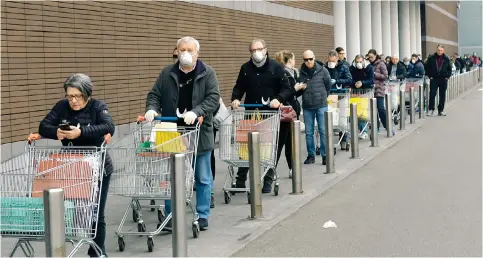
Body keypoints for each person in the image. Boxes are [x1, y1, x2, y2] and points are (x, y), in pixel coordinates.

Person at [145, 36, 220, 230]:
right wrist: (152, 109)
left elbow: (213, 98)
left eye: (190, 50)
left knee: (202, 177)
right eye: (182, 49)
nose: (185, 53)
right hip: (172, 131)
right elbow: (155, 94)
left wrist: (197, 111)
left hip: (198, 131)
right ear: (176, 51)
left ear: (197, 53)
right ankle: (171, 215)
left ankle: (202, 214)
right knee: (173, 176)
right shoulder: (167, 73)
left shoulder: (207, 73)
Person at [38, 73, 115, 257]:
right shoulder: (62, 107)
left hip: (98, 167)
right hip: (72, 167)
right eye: (69, 95)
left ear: (86, 94)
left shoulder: (97, 106)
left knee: (95, 211)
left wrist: (80, 133)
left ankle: (98, 251)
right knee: (75, 211)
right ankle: (71, 245)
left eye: (78, 96)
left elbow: (108, 126)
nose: (73, 100)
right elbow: (43, 126)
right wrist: (56, 131)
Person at [231, 39, 292, 193]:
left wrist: (278, 99)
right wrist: (236, 98)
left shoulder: (276, 67)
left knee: (270, 148)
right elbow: (239, 87)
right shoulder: (246, 68)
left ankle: (268, 178)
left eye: (259, 49)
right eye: (253, 50)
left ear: (265, 49)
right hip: (251, 113)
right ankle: (240, 179)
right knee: (246, 146)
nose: (256, 52)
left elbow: (286, 88)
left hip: (270, 115)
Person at [274, 50, 306, 177]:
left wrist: (301, 89)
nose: (295, 61)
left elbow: (293, 94)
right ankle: (271, 170)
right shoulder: (283, 73)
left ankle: (292, 168)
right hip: (285, 111)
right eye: (293, 58)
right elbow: (286, 92)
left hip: (292, 110)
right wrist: (295, 88)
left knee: (291, 142)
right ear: (289, 60)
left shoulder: (292, 73)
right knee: (281, 142)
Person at [299, 50, 331, 165]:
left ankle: (325, 155)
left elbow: (328, 85)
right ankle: (311, 155)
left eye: (310, 59)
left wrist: (324, 97)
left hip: (321, 105)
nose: (308, 62)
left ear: (314, 58)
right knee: (309, 132)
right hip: (307, 106)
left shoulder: (323, 70)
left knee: (323, 131)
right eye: (306, 60)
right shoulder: (301, 72)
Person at [367, 49, 393, 135]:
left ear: (375, 56)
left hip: (379, 89)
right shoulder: (368, 64)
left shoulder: (381, 64)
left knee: (381, 108)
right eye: (369, 57)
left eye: (371, 57)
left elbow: (385, 76)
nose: (370, 58)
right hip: (370, 90)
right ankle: (376, 127)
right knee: (373, 110)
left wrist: (375, 74)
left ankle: (388, 127)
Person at [348, 55, 374, 139]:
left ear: (363, 61)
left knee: (362, 112)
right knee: (355, 112)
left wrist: (362, 83)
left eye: (360, 62)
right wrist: (354, 83)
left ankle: (364, 131)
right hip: (354, 92)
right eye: (357, 62)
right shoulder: (352, 68)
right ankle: (355, 130)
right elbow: (349, 79)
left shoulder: (369, 67)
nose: (359, 64)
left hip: (365, 92)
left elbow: (371, 80)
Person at [424, 44, 452, 116]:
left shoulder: (446, 58)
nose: (440, 52)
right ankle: (431, 109)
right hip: (434, 79)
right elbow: (427, 67)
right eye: (438, 50)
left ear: (443, 50)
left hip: (443, 79)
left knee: (442, 95)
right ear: (436, 50)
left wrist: (447, 76)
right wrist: (430, 76)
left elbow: (450, 68)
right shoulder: (432, 58)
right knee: (432, 94)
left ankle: (441, 110)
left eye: (441, 50)